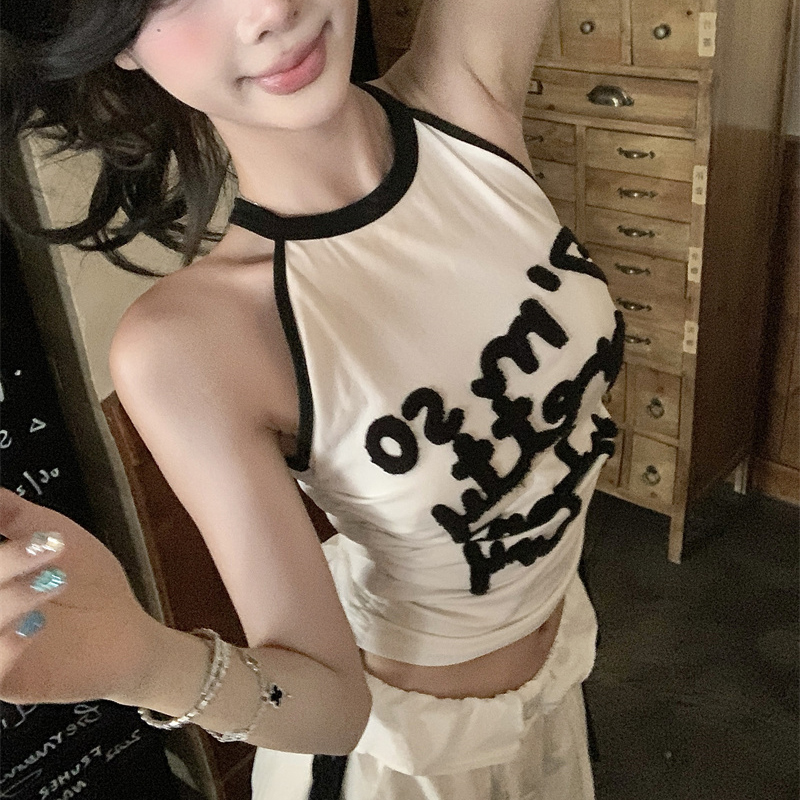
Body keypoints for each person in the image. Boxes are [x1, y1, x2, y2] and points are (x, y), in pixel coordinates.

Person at [0, 0, 624, 797]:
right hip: (408, 768)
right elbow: (330, 709)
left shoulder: (469, 97)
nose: (269, 10)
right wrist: (143, 661)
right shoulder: (193, 343)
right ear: (116, 40)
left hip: (556, 680)